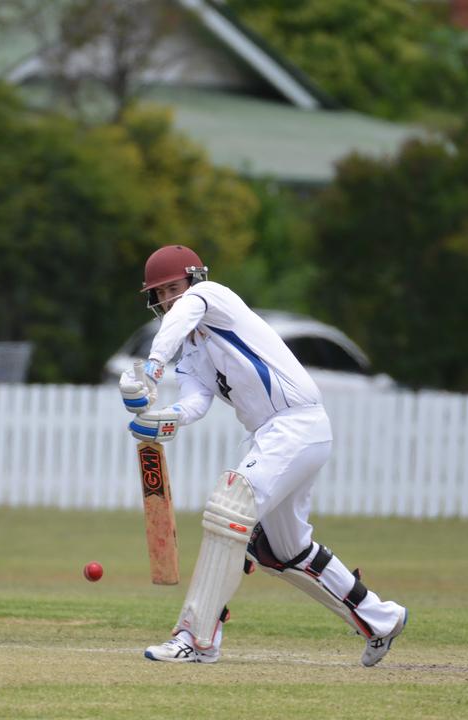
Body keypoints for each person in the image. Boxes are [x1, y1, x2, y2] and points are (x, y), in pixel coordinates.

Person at [118, 244, 409, 666]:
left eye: (173, 288)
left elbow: (182, 316)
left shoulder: (213, 297)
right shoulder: (193, 353)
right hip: (268, 436)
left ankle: (196, 637)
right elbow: (195, 403)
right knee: (284, 550)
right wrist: (162, 421)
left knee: (229, 506)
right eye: (160, 294)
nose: (168, 300)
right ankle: (381, 619)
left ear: (194, 280)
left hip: (297, 424)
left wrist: (151, 368)